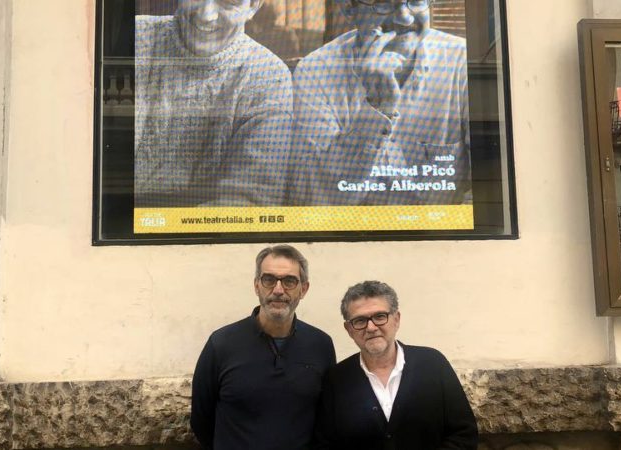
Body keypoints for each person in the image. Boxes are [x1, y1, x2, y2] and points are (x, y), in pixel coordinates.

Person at [288, 0, 471, 206]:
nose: (405, 18)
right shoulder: (314, 72)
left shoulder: (462, 61)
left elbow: (482, 192)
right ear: (349, 8)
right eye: (383, 3)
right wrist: (376, 109)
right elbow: (314, 199)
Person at [135, 0, 292, 208]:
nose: (206, 15)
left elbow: (249, 202)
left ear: (253, 6)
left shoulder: (268, 75)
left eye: (229, 2)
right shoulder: (136, 38)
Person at [190, 245, 336, 450]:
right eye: (269, 280)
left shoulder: (321, 345)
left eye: (289, 281)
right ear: (257, 286)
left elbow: (325, 419)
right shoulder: (221, 344)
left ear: (304, 289)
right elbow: (201, 421)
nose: (278, 290)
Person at [315, 280, 478, 449]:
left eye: (380, 316)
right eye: (360, 320)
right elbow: (325, 444)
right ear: (349, 329)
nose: (371, 327)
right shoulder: (336, 379)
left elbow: (464, 434)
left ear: (396, 319)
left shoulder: (433, 364)